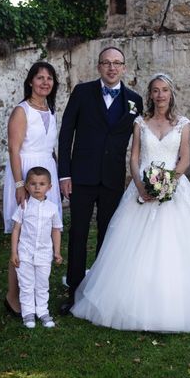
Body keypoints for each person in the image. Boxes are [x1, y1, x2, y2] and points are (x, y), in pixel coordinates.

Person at [71, 74, 190, 332]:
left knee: (176, 246)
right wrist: (141, 186)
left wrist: (168, 183)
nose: (160, 95)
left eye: (164, 90)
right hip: (142, 188)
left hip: (174, 189)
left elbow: (184, 159)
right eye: (155, 91)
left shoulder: (183, 123)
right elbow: (135, 157)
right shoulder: (140, 122)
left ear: (171, 94)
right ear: (149, 95)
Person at [57, 46, 143, 314]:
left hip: (112, 179)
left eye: (117, 63)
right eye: (106, 62)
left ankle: (102, 292)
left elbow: (142, 138)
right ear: (99, 67)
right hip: (81, 177)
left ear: (124, 68)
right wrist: (65, 173)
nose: (112, 67)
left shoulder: (134, 100)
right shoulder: (82, 92)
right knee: (78, 234)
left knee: (108, 236)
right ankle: (74, 291)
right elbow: (66, 133)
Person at [2, 62, 62, 318]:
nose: (45, 82)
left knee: (43, 231)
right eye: (40, 78)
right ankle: (13, 295)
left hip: (48, 171)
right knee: (24, 233)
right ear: (30, 81)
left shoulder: (51, 110)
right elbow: (14, 149)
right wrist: (19, 184)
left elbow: (51, 147)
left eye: (49, 78)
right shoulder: (21, 110)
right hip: (25, 171)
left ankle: (37, 293)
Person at [10, 167, 63, 328]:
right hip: (25, 253)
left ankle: (42, 311)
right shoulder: (24, 207)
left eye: (42, 184)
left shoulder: (52, 209)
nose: (37, 187)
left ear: (49, 187)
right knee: (26, 284)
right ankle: (28, 314)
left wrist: (57, 251)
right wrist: (14, 252)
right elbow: (16, 229)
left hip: (44, 254)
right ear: (26, 186)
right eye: (33, 184)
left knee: (42, 284)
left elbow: (56, 230)